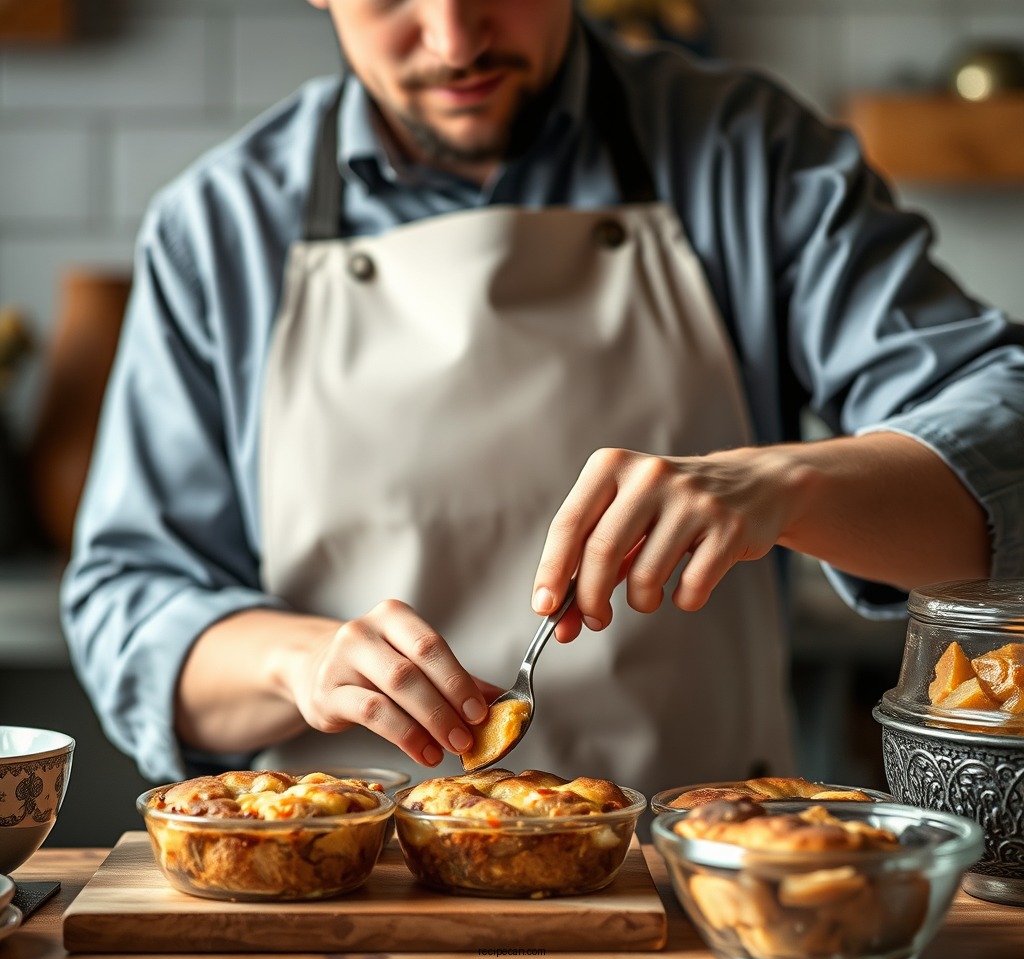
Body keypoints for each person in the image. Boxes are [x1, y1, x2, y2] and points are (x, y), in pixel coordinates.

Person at [61, 0, 1024, 793]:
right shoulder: (217, 226)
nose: (453, 38)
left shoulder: (750, 156)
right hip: (339, 905)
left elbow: (1004, 430)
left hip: (693, 897)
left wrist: (788, 486)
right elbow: (129, 605)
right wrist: (295, 662)